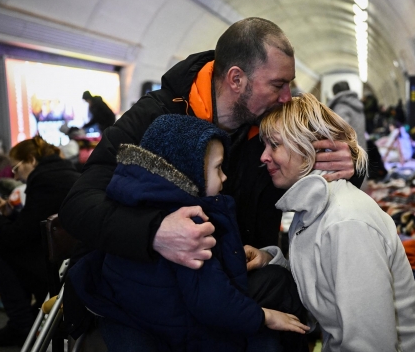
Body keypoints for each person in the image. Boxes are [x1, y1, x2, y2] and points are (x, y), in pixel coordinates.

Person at [60, 17, 360, 349]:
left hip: (228, 275)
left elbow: (316, 173)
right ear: (236, 79)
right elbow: (77, 205)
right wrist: (155, 231)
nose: (288, 97)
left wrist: (351, 164)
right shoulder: (155, 119)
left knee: (283, 294)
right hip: (151, 284)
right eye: (278, 84)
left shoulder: (269, 127)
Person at [69, 114, 309, 351]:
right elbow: (213, 303)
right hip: (177, 330)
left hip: (130, 316)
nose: (225, 177)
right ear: (189, 172)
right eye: (217, 168)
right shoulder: (189, 227)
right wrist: (264, 316)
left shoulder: (133, 204)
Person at [245, 92, 415, 351]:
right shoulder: (311, 209)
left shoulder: (346, 223)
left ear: (308, 148)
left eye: (274, 145)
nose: (263, 156)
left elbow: (371, 344)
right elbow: (322, 291)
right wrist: (270, 261)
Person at [0, 136, 80, 347]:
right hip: (71, 261)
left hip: (59, 270)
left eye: (16, 168)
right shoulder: (63, 173)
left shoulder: (44, 181)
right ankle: (28, 317)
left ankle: (20, 324)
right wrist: (10, 214)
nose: (14, 174)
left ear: (31, 160)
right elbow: (34, 226)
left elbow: (17, 237)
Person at [327, 80, 366, 150]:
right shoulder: (357, 104)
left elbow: (339, 134)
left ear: (335, 93)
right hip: (361, 149)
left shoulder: (340, 107)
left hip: (349, 154)